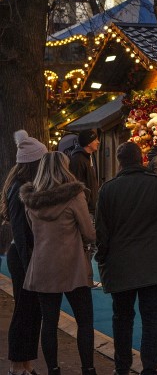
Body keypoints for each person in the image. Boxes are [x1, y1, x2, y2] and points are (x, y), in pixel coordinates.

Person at [95, 141, 157, 375]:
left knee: (122, 317)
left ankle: (122, 365)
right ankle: (150, 367)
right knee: (152, 317)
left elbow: (101, 231)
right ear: (141, 159)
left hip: (120, 263)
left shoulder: (108, 189)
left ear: (120, 162)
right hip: (153, 262)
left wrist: (103, 258)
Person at [20, 151, 96, 375]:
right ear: (65, 168)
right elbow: (89, 233)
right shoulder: (74, 195)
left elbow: (32, 232)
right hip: (73, 267)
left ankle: (53, 369)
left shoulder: (31, 201)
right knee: (84, 321)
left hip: (43, 265)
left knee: (49, 322)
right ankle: (88, 369)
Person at [3, 130, 46, 375]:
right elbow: (20, 233)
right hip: (24, 258)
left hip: (24, 256)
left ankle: (25, 363)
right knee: (25, 310)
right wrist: (31, 264)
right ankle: (17, 365)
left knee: (30, 310)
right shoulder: (20, 189)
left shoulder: (19, 185)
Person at [67, 128, 101, 218]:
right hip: (85, 209)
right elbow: (76, 185)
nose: (98, 142)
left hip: (91, 207)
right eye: (95, 140)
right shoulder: (78, 160)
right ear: (89, 143)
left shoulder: (88, 157)